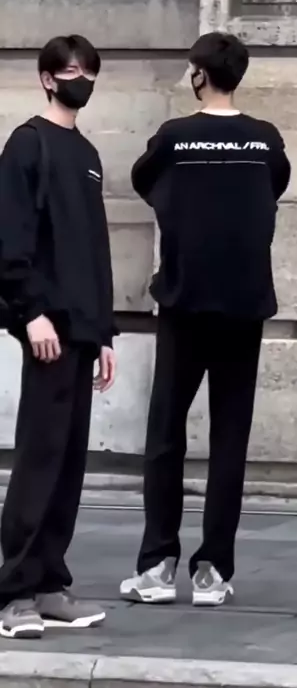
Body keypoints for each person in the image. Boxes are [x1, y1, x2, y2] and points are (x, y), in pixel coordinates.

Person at [121, 31, 290, 607]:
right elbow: (276, 186)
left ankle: (157, 564)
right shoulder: (265, 140)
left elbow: (145, 182)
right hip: (244, 304)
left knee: (165, 434)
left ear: (199, 74)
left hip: (185, 301)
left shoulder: (174, 137)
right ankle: (212, 569)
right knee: (230, 437)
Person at [0, 35, 117, 639]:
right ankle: (14, 593)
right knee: (40, 457)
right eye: (71, 71)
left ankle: (49, 583)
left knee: (69, 463)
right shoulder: (28, 143)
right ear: (47, 78)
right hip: (45, 328)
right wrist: (30, 314)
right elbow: (11, 237)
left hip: (81, 331)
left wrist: (105, 334)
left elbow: (94, 249)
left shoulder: (88, 152)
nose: (82, 80)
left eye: (89, 71)